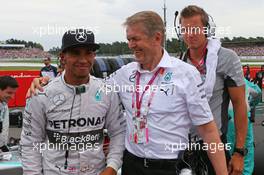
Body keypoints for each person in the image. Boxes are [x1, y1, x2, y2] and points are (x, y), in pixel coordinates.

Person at [26, 11, 228, 175]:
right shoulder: (125, 74)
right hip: (132, 165)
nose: (130, 45)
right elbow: (89, 85)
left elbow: (209, 132)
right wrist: (46, 81)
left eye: (135, 39)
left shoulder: (186, 74)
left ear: (157, 37)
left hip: (170, 167)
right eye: (128, 39)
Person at [21, 29, 126, 175]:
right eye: (76, 53)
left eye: (88, 53)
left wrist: (112, 167)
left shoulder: (107, 91)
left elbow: (118, 132)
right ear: (62, 57)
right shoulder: (41, 93)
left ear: (94, 56)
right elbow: (30, 143)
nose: (83, 60)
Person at [178, 5, 248, 175]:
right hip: (183, 146)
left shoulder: (226, 58)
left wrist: (239, 152)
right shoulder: (179, 62)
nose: (190, 34)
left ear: (207, 29)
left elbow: (239, 105)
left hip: (214, 144)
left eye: (195, 28)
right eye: (185, 29)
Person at [227, 78, 262, 175]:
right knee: (245, 158)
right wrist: (249, 106)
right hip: (243, 125)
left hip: (224, 126)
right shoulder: (246, 83)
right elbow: (257, 94)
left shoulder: (214, 81)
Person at [0, 76, 19, 152]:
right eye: (9, 93)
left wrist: (3, 146)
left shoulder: (4, 103)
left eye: (14, 93)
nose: (12, 97)